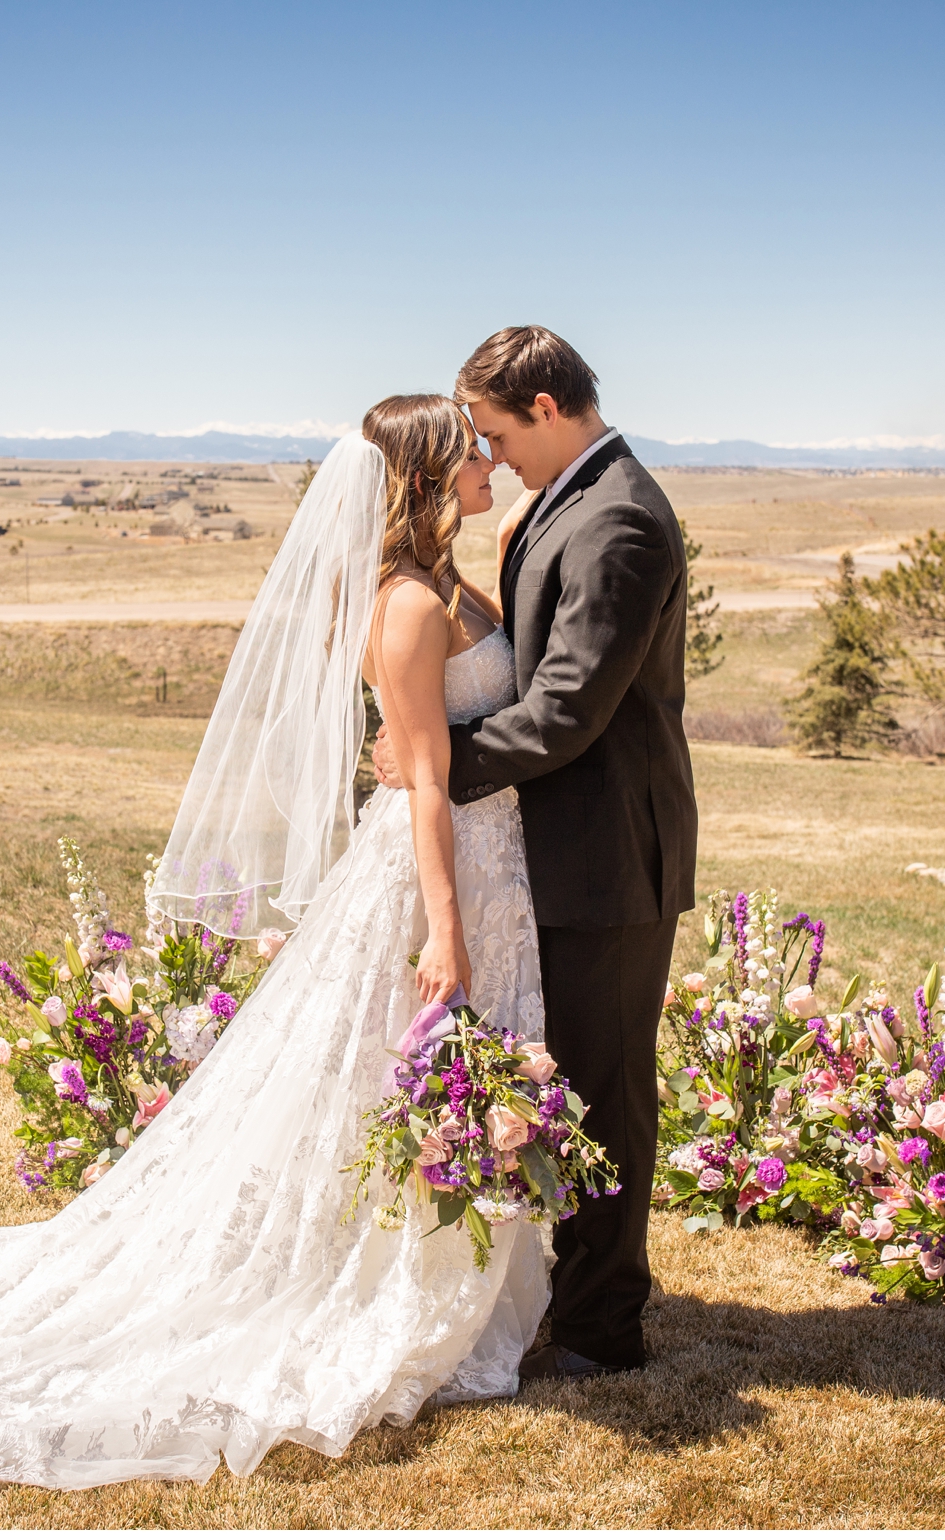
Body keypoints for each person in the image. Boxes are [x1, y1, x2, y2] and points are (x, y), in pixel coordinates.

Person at [0, 394, 561, 1488]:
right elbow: (428, 774)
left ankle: (429, 1255)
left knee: (384, 1077)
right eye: (472, 452)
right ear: (429, 478)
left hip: (485, 864)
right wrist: (444, 927)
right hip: (438, 874)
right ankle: (374, 1273)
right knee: (401, 1061)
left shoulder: (442, 584)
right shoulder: (408, 606)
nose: (492, 463)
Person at [373, 325, 697, 1380]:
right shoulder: (557, 502)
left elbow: (566, 711)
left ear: (549, 411)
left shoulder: (622, 522)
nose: (494, 455)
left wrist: (433, 763)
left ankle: (604, 1329)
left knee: (607, 1084)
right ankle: (546, 1287)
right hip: (537, 851)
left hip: (606, 856)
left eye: (503, 434)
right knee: (560, 1075)